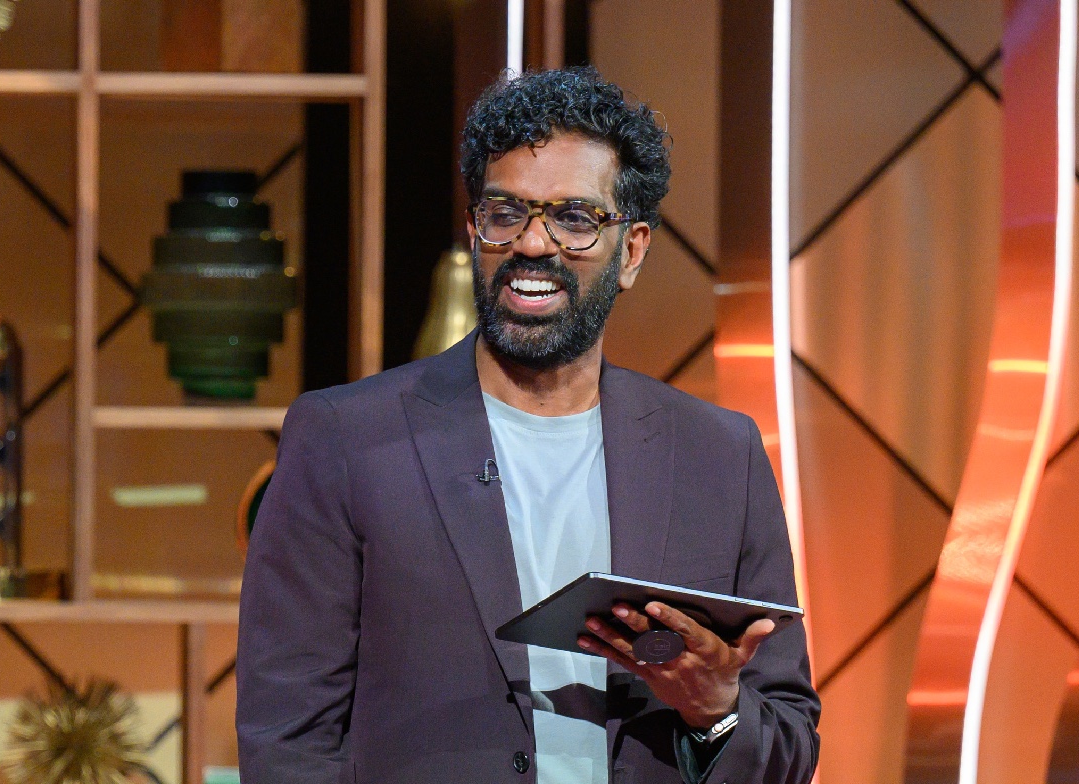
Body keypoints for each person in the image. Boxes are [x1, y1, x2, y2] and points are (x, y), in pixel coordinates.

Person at [236, 67, 819, 784]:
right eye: (505, 213)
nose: (533, 244)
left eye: (575, 219)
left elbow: (789, 746)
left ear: (631, 250)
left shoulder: (720, 457)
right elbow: (287, 739)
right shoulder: (347, 440)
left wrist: (715, 708)